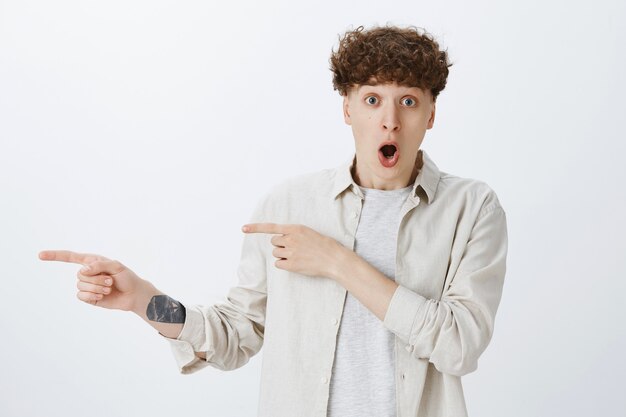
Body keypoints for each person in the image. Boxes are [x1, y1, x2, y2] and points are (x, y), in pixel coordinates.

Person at [39, 24, 508, 417]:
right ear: (347, 108)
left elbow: (459, 344)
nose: (389, 121)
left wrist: (337, 262)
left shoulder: (471, 208)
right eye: (371, 100)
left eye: (408, 101)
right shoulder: (289, 205)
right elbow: (237, 334)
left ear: (430, 115)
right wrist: (143, 300)